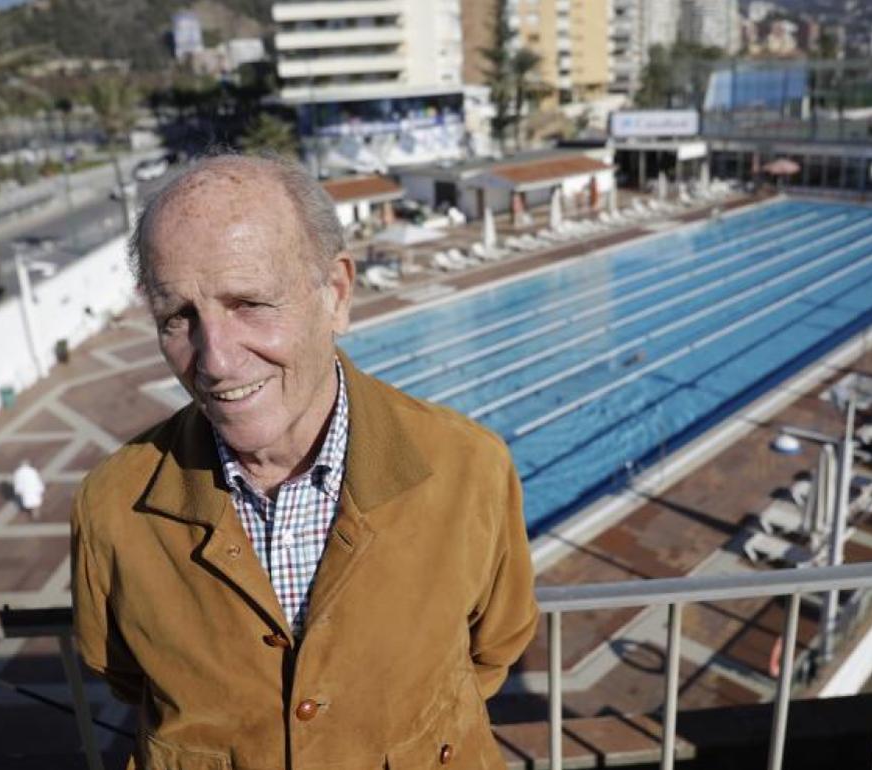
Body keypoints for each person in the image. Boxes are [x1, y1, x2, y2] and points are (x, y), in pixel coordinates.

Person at [71, 153, 539, 768]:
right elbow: (126, 675)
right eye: (179, 316)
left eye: (250, 303)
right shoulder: (112, 508)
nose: (214, 360)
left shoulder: (469, 469)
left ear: (336, 294)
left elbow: (495, 647)